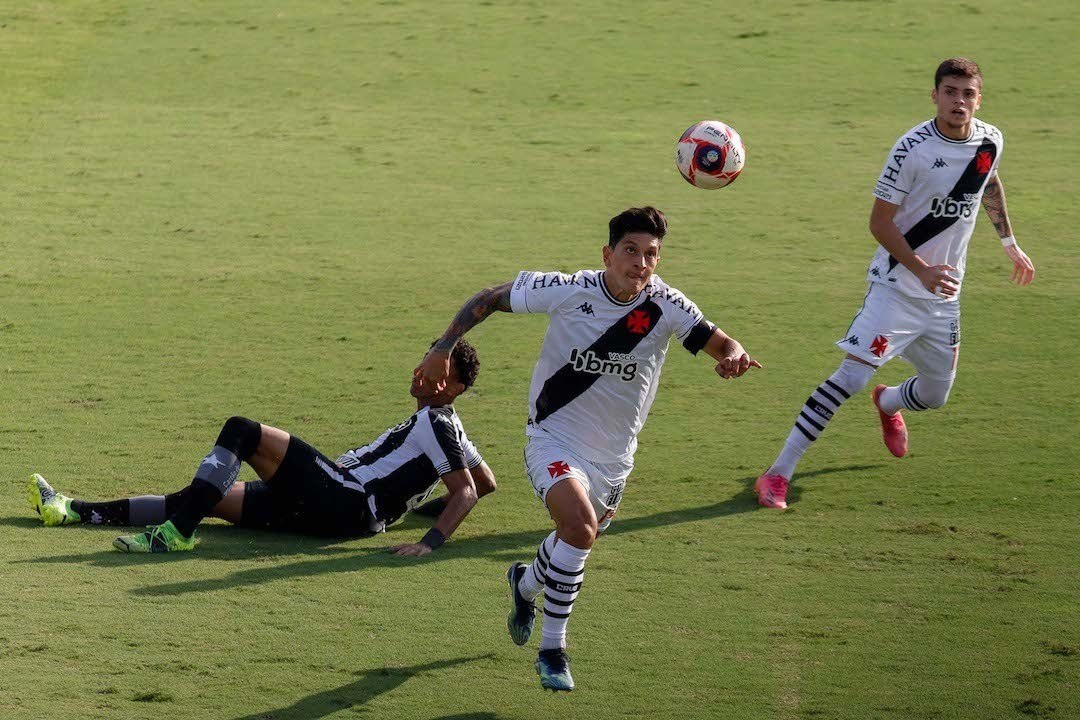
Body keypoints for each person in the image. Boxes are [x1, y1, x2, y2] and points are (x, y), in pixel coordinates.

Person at [413, 207, 760, 691]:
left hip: (615, 458)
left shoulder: (666, 306)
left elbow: (719, 342)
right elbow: (489, 298)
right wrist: (443, 346)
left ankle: (525, 582)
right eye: (631, 251)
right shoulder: (569, 289)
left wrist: (733, 357)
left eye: (651, 255)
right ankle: (553, 650)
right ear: (608, 254)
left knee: (576, 537)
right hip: (552, 439)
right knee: (579, 527)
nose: (640, 262)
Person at [755, 57, 1035, 510]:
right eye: (950, 92)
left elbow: (988, 182)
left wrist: (1009, 241)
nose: (958, 101)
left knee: (935, 394)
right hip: (897, 289)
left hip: (945, 298)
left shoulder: (991, 140)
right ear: (935, 96)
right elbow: (879, 223)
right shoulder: (912, 149)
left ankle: (889, 402)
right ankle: (778, 474)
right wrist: (921, 268)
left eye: (967, 94)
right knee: (851, 377)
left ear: (978, 99)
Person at [28, 340, 495, 556]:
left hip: (346, 498)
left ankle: (177, 535)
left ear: (452, 390)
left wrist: (429, 543)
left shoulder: (436, 421)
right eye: (427, 359)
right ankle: (72, 510)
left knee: (242, 430)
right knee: (199, 497)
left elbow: (468, 492)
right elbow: (486, 482)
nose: (422, 373)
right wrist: (415, 506)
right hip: (338, 510)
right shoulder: (449, 426)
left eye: (437, 372)